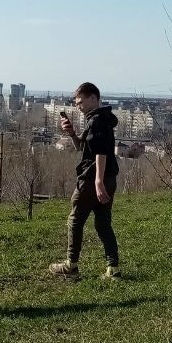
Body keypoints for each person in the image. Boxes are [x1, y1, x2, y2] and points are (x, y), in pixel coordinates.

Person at [49, 82, 121, 279]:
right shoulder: (99, 120)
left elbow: (101, 152)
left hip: (92, 179)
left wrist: (98, 182)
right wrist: (71, 133)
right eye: (76, 103)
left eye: (81, 102)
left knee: (75, 220)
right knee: (103, 223)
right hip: (108, 178)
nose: (78, 106)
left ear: (93, 98)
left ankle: (71, 266)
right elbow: (82, 147)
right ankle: (112, 268)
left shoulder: (97, 120)